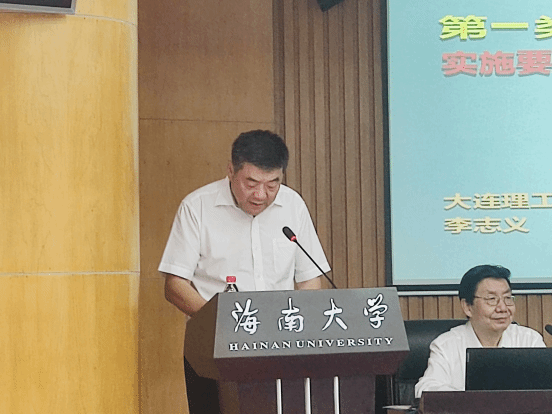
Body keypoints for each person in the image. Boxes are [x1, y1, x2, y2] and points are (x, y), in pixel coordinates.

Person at [158, 129, 330, 413]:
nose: (261, 195)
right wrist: (222, 325)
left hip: (281, 346)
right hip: (213, 349)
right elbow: (175, 285)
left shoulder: (293, 205)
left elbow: (310, 279)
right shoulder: (197, 207)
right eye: (251, 183)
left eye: (272, 184)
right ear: (231, 171)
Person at [414, 264, 546, 398]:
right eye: (491, 299)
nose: (503, 308)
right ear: (467, 307)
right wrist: (473, 399)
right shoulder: (447, 345)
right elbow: (425, 389)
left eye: (507, 298)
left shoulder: (529, 340)